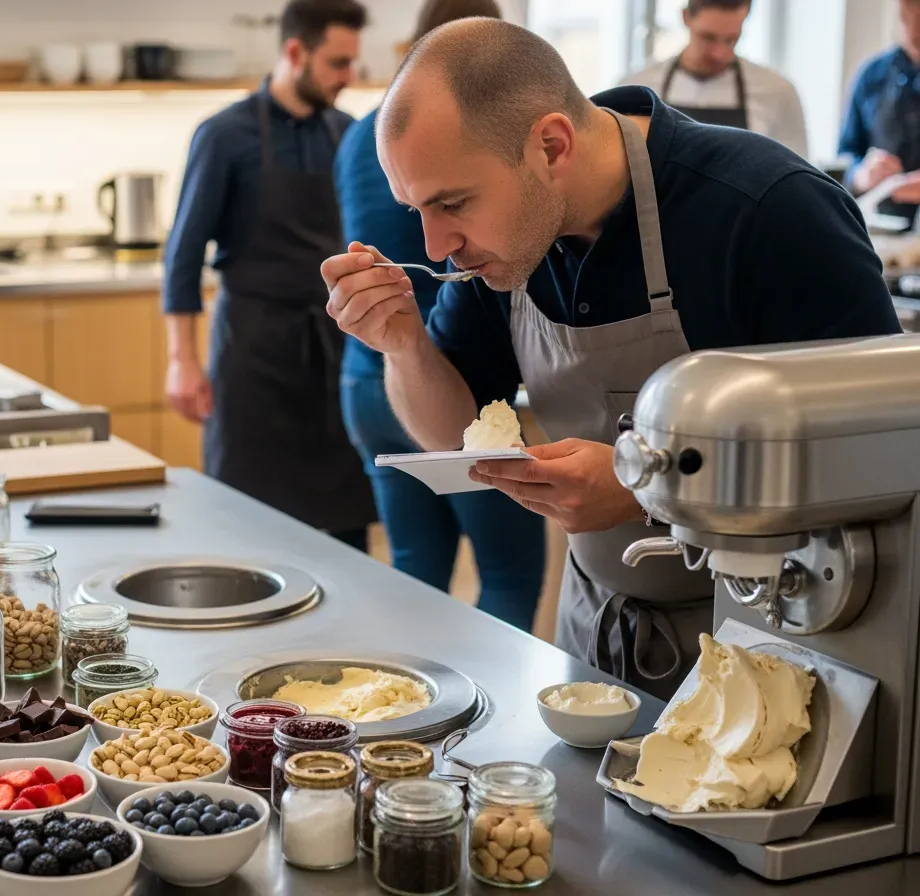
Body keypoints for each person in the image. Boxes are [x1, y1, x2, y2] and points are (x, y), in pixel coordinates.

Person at [322, 19, 900, 698]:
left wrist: (646, 492)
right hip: (594, 636)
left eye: (453, 202)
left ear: (551, 146)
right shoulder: (502, 250)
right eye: (417, 208)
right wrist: (404, 344)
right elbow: (453, 436)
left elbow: (882, 462)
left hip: (770, 649)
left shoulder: (770, 211)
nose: (437, 242)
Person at [334, 0, 544, 631]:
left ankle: (411, 712)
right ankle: (478, 717)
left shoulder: (359, 135)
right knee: (508, 572)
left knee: (413, 570)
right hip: (449, 379)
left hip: (365, 382)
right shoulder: (467, 140)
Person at [162, 0, 376, 550]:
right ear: (294, 51)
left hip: (334, 353)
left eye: (352, 63)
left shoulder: (350, 134)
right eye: (337, 63)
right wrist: (182, 360)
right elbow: (183, 256)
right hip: (252, 357)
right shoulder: (223, 134)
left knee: (346, 532)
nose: (348, 78)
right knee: (245, 528)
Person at [621, 0, 807, 157]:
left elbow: (798, 180)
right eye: (708, 38)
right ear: (685, 17)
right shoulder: (637, 88)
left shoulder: (777, 92)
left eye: (731, 39)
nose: (720, 53)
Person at [840, 0, 920, 226]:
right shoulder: (871, 75)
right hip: (877, 227)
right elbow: (845, 154)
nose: (915, 29)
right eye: (908, 16)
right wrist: (861, 173)